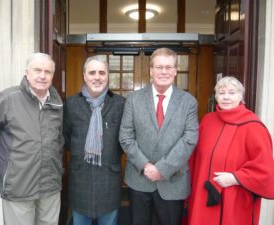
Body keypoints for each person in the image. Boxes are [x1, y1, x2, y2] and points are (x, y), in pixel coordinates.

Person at [0, 52, 64, 225]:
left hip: (50, 189)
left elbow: (58, 141)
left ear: (53, 75)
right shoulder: (8, 98)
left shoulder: (57, 102)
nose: (42, 76)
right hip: (18, 188)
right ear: (26, 72)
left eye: (48, 72)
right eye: (37, 70)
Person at [119, 47, 199, 225]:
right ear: (151, 70)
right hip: (139, 179)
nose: (164, 71)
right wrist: (145, 165)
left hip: (173, 180)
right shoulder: (134, 99)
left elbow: (189, 139)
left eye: (169, 67)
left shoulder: (188, 102)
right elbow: (126, 136)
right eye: (159, 67)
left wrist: (162, 169)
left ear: (175, 71)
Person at [187, 76, 274, 225]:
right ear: (216, 96)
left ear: (241, 96)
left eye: (232, 92)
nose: (226, 97)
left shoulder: (253, 126)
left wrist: (236, 178)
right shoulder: (208, 121)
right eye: (221, 93)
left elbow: (264, 168)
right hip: (202, 195)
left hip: (234, 197)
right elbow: (194, 157)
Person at [63, 55, 125, 225]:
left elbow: (124, 140)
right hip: (79, 179)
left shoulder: (121, 104)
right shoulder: (71, 104)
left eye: (101, 72)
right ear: (84, 76)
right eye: (92, 72)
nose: (97, 77)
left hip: (109, 179)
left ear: (107, 76)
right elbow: (66, 139)